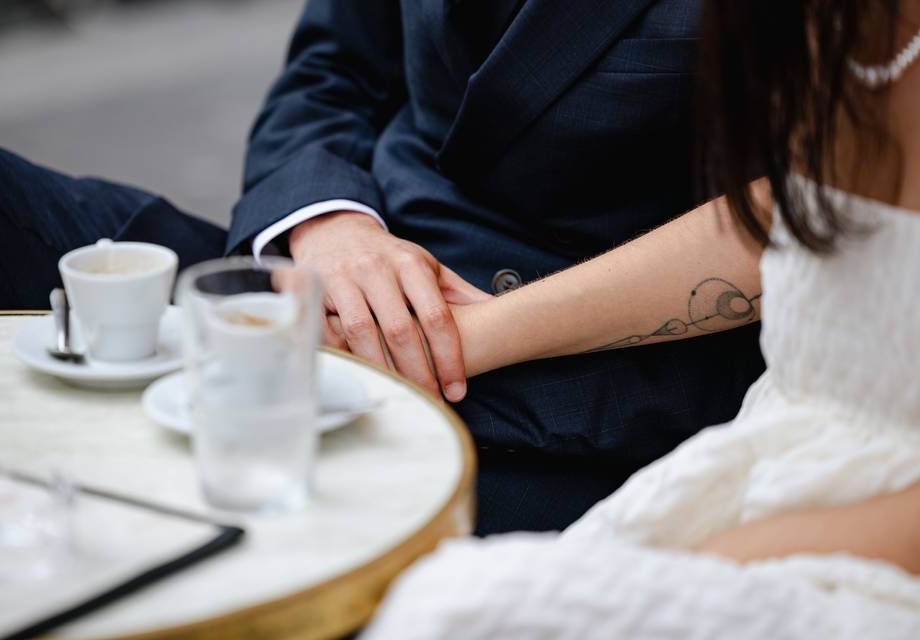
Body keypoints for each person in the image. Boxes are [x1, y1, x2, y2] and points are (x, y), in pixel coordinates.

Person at [0, 0, 766, 534]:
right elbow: (334, 66)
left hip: (571, 401)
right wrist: (327, 223)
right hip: (303, 287)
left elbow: (819, 211)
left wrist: (454, 336)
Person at [358, 0, 920, 637]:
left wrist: (717, 565)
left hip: (863, 531)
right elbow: (788, 215)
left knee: (449, 608)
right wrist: (458, 335)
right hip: (767, 453)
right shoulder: (848, 24)